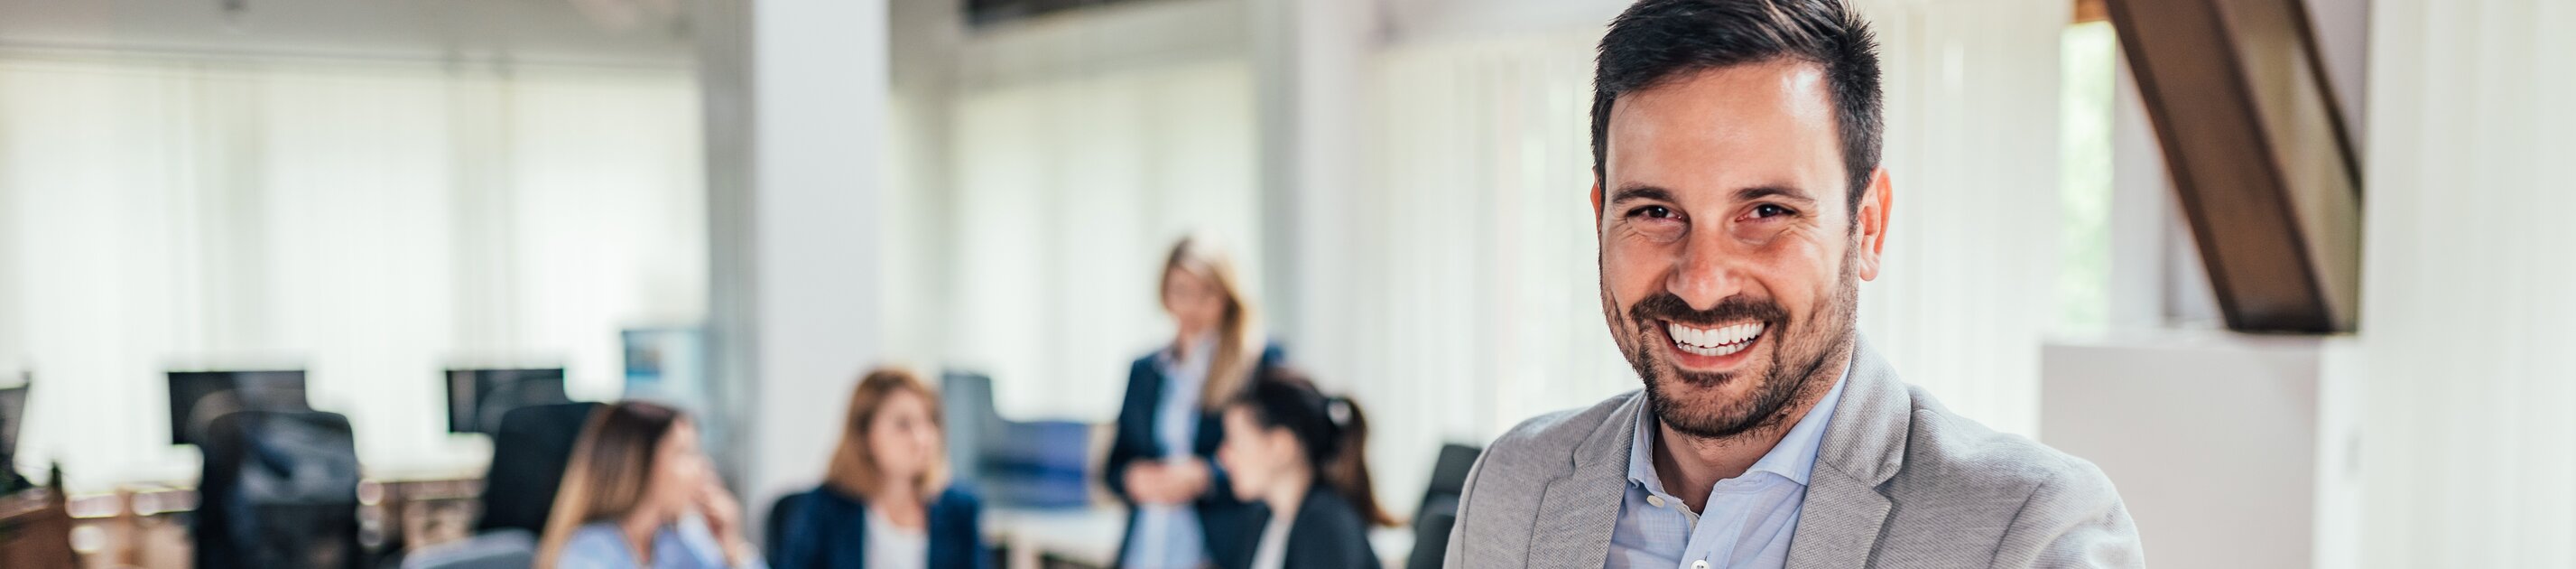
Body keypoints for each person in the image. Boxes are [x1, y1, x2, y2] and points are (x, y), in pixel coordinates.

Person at [1442, 1, 2146, 567]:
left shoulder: (2030, 533)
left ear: (1867, 227)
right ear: (1600, 220)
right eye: (1655, 212)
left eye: (1767, 212)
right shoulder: (1513, 487)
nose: (1702, 283)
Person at [1107, 235, 1285, 569]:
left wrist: (1205, 476)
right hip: (1149, 542)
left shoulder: (1256, 362)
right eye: (1181, 292)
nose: (1191, 306)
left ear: (1228, 296)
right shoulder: (1146, 370)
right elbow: (1114, 466)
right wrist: (1135, 478)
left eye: (1206, 294)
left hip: (1218, 544)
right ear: (1164, 293)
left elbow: (1275, 454)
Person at [772, 367, 988, 569]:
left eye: (929, 421)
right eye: (903, 424)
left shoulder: (960, 509)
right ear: (864, 435)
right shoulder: (825, 507)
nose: (922, 438)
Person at [537, 401, 764, 569]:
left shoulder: (676, 541)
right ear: (639, 466)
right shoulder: (589, 552)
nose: (702, 468)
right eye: (685, 454)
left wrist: (731, 547)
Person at [1213, 368, 1393, 569]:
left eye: (1235, 441)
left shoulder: (1326, 526)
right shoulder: (1263, 520)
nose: (1222, 456)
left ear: (1280, 447)